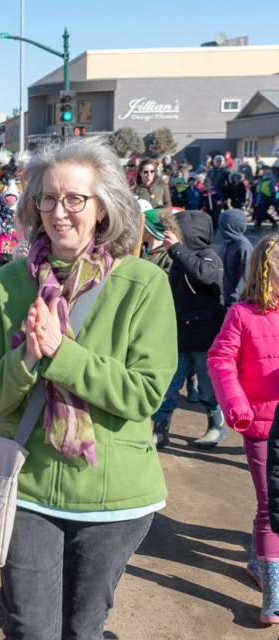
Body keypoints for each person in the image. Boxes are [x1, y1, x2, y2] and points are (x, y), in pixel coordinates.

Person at [0, 137, 177, 639]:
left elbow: (143, 394)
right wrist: (29, 356)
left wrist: (63, 353)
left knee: (83, 630)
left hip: (114, 495)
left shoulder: (144, 283)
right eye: (48, 198)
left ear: (103, 208)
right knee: (30, 629)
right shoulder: (10, 283)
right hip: (27, 485)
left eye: (74, 199)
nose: (59, 212)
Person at [209, 235, 279, 624]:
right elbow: (221, 358)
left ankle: (258, 558)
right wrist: (237, 405)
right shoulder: (242, 315)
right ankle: (274, 592)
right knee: (272, 506)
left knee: (269, 505)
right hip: (262, 427)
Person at [152, 210, 227, 449]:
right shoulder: (180, 258)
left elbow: (204, 274)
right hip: (180, 337)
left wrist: (177, 249)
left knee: (207, 389)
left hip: (205, 339)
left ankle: (216, 426)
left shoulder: (208, 256)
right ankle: (160, 430)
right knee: (169, 388)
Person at [219, 208, 253, 307]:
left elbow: (248, 274)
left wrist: (241, 296)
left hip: (238, 299)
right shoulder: (227, 242)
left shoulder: (243, 245)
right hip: (226, 296)